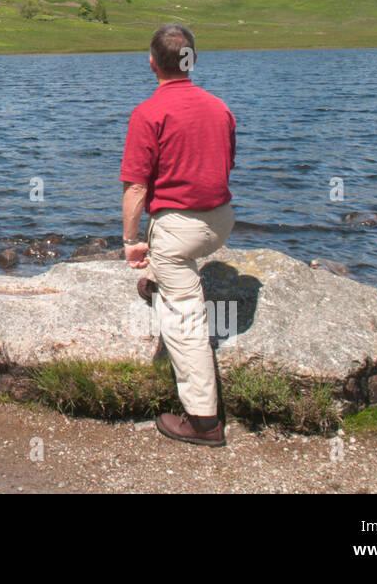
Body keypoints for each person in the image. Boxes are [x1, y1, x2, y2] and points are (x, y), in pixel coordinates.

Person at [119, 23, 236, 447]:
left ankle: (204, 422)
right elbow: (223, 168)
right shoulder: (220, 107)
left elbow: (136, 188)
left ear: (152, 64)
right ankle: (166, 279)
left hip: (179, 233)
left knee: (185, 318)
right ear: (192, 61)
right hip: (221, 222)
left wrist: (132, 241)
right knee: (174, 257)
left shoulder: (148, 112)